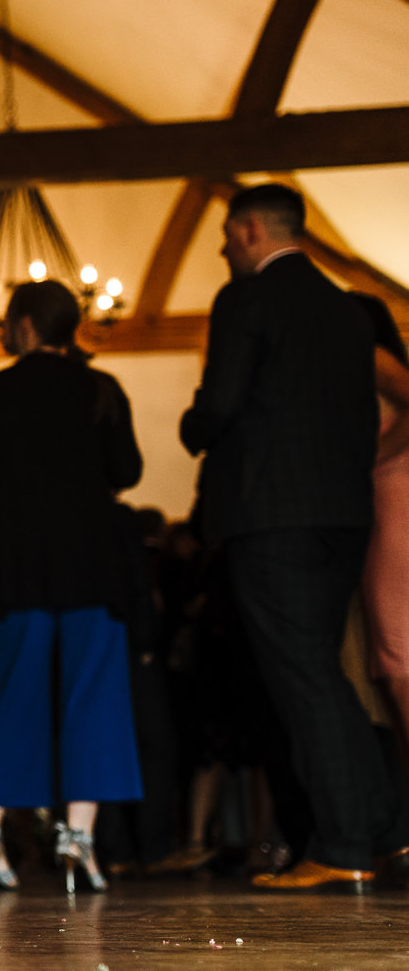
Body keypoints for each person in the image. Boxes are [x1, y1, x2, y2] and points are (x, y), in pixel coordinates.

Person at [181, 184, 398, 892]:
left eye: (225, 234)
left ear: (248, 230)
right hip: (342, 511)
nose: (221, 248)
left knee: (305, 681)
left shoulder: (245, 300)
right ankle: (385, 832)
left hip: (272, 513)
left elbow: (219, 403)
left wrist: (194, 429)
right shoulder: (347, 308)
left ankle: (342, 844)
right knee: (325, 676)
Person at [0, 280, 144, 895]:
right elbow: (129, 472)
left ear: (27, 325)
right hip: (92, 562)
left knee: (19, 695)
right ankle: (78, 841)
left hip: (18, 564)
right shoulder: (100, 388)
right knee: (94, 697)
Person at [353, 292, 409, 743]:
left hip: (394, 500)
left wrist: (374, 458)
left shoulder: (371, 357)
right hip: (385, 504)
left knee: (398, 654)